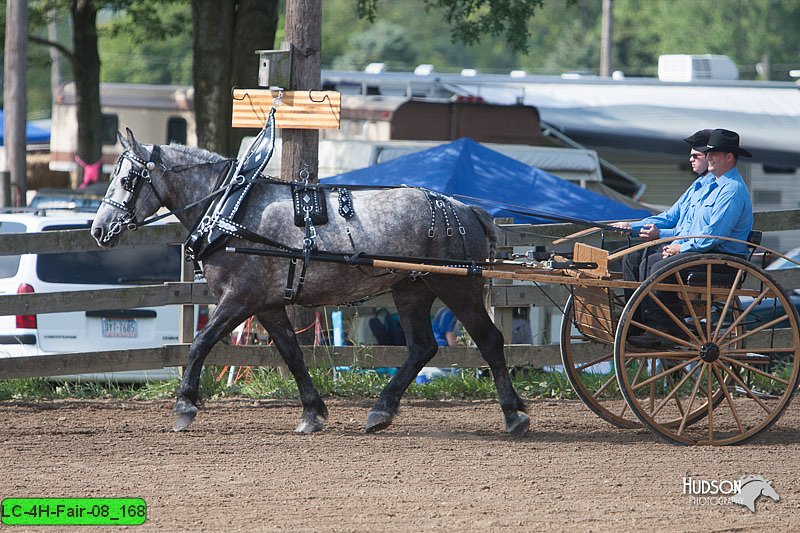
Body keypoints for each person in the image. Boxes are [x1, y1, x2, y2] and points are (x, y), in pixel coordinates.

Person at [612, 128, 754, 347]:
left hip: (720, 259)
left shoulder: (732, 190)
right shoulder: (708, 186)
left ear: (730, 157)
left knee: (658, 265)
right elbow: (677, 221)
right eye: (708, 154)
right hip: (702, 252)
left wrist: (680, 248)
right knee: (633, 258)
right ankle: (638, 322)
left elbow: (713, 235)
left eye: (714, 154)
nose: (709, 158)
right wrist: (634, 227)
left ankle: (665, 327)